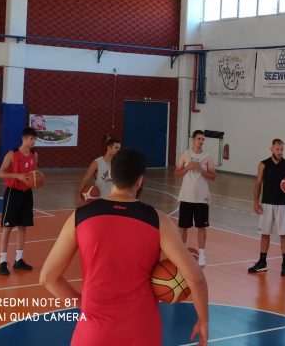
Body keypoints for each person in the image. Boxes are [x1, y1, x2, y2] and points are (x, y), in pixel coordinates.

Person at [40, 148, 209, 346]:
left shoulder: (80, 216)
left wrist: (81, 303)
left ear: (111, 174)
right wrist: (203, 320)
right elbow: (195, 278)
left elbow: (47, 278)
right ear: (140, 181)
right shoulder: (158, 220)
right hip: (141, 332)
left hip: (93, 333)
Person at [248, 138, 285, 277]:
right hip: (266, 204)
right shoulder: (263, 164)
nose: (280, 152)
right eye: (277, 149)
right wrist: (256, 202)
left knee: (283, 235)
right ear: (271, 149)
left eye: (282, 149)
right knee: (265, 234)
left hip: (282, 205)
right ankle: (262, 262)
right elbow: (258, 184)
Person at [0, 127, 38, 275]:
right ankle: (2, 262)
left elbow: (34, 174)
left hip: (27, 194)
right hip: (13, 193)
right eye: (31, 139)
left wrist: (36, 181)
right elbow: (1, 173)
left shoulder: (34, 155)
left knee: (23, 226)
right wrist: (17, 175)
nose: (33, 141)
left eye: (35, 139)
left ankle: (18, 260)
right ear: (24, 139)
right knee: (7, 228)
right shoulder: (12, 154)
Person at [173, 130, 216, 267]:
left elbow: (213, 177)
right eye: (199, 139)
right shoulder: (185, 155)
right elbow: (176, 174)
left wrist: (200, 169)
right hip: (186, 196)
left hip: (202, 198)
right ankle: (180, 253)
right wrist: (187, 168)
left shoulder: (208, 157)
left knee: (201, 227)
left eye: (203, 139)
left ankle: (202, 254)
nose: (201, 141)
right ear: (193, 139)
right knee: (182, 227)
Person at [75, 137, 121, 206]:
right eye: (116, 147)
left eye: (119, 148)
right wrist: (78, 195)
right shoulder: (97, 163)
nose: (118, 150)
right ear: (109, 148)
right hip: (100, 200)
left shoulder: (118, 163)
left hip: (114, 199)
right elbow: (85, 179)